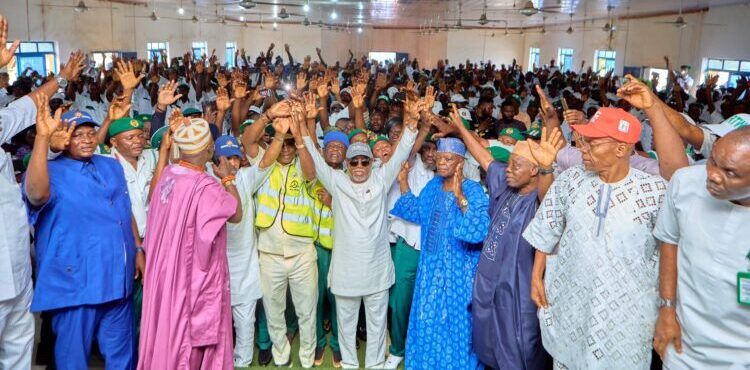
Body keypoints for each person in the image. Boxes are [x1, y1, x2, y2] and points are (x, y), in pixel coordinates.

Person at [523, 107, 668, 369]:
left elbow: (670, 249)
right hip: (572, 302)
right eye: (583, 141)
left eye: (593, 143)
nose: (583, 149)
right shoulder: (571, 179)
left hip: (627, 312)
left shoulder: (654, 191)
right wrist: (536, 277)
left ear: (622, 149)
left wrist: (668, 308)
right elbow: (547, 227)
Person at [300, 97, 419, 369]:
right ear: (347, 163)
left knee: (378, 326)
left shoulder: (381, 178)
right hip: (346, 274)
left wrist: (411, 120)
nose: (360, 167)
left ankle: (376, 365)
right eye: (354, 162)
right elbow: (315, 158)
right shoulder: (337, 181)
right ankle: (352, 366)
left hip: (377, 271)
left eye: (365, 162)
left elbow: (401, 152)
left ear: (371, 163)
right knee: (346, 326)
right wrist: (302, 126)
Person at [24, 103, 140, 369]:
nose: (87, 139)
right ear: (62, 138)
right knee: (72, 361)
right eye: (77, 134)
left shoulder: (110, 166)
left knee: (124, 359)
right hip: (75, 285)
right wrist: (43, 138)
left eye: (91, 133)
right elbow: (36, 195)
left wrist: (137, 249)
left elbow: (124, 209)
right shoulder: (47, 170)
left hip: (116, 281)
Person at [450, 105, 561, 369]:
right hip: (489, 285)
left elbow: (548, 196)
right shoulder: (507, 187)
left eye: (516, 165)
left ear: (535, 171)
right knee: (487, 347)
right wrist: (462, 130)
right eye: (509, 163)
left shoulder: (540, 201)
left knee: (519, 350)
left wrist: (547, 169)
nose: (508, 169)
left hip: (519, 293)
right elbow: (486, 160)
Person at [138, 116, 244, 370]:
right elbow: (236, 214)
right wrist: (227, 179)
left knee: (167, 329)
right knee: (188, 339)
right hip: (190, 278)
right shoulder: (205, 186)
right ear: (209, 149)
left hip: (165, 272)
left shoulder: (169, 174)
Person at [652, 126, 750, 369]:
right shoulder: (685, 183)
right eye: (712, 161)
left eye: (730, 172)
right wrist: (666, 309)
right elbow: (670, 242)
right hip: (684, 348)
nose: (713, 175)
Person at [389, 137, 489, 370]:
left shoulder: (473, 191)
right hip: (430, 270)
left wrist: (459, 198)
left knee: (457, 324)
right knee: (427, 320)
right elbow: (418, 213)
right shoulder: (432, 186)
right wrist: (403, 183)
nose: (441, 162)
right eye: (440, 157)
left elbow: (479, 230)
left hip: (459, 274)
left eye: (448, 159)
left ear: (460, 163)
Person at [214, 131, 282, 367]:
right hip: (216, 267)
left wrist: (281, 134)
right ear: (215, 160)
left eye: (235, 158)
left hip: (245, 265)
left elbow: (266, 161)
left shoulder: (244, 177)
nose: (231, 163)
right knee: (217, 324)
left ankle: (242, 362)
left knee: (245, 322)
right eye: (225, 158)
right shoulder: (206, 181)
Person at [383, 137, 436, 369]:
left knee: (430, 303)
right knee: (400, 301)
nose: (432, 154)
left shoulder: (452, 177)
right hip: (408, 245)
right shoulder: (412, 169)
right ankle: (396, 349)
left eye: (437, 150)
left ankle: (423, 348)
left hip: (435, 250)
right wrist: (420, 125)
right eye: (428, 148)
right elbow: (407, 152)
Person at [311, 130, 349, 367]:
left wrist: (333, 202)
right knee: (314, 299)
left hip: (341, 250)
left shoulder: (351, 177)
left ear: (346, 153)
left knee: (339, 300)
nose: (335, 149)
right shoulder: (312, 174)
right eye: (330, 146)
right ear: (323, 151)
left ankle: (337, 344)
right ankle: (318, 342)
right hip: (315, 248)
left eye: (340, 147)